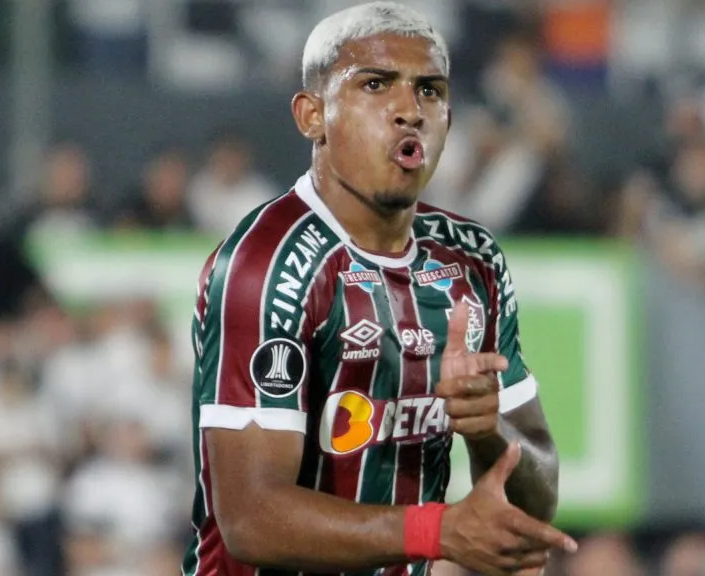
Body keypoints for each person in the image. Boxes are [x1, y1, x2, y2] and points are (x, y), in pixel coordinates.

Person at [184, 3, 576, 575]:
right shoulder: (266, 266)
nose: (408, 111)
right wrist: (436, 530)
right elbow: (250, 518)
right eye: (375, 85)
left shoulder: (471, 260)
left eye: (430, 91)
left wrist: (487, 429)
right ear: (312, 115)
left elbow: (533, 502)